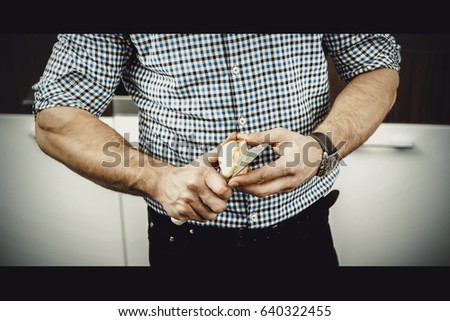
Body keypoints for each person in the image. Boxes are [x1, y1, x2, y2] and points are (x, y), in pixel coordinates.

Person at [32, 34, 400, 273]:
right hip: (184, 243)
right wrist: (155, 178)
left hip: (305, 230)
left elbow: (377, 66)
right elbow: (55, 118)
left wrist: (323, 147)